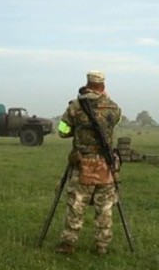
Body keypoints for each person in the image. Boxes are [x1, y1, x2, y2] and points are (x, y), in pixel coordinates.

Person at [55, 70, 122, 255]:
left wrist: (76, 129)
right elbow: (114, 122)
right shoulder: (114, 107)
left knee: (76, 205)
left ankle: (68, 243)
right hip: (106, 164)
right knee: (105, 207)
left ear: (87, 83)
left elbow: (62, 131)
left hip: (81, 162)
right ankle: (102, 246)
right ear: (103, 85)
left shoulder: (75, 107)